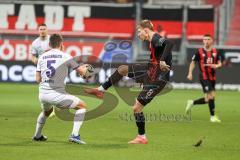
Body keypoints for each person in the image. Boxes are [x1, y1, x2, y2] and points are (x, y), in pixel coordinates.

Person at [85, 19, 174, 144]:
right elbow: (157, 56)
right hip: (150, 71)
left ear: (146, 30)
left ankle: (142, 137)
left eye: (139, 31)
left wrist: (163, 61)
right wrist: (145, 76)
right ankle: (101, 90)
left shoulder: (155, 38)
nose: (138, 34)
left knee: (137, 107)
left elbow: (169, 44)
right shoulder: (151, 41)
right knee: (122, 69)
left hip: (158, 78)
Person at [33, 34, 88, 144]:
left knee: (47, 111)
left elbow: (37, 79)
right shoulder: (65, 56)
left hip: (43, 94)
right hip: (57, 94)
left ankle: (37, 135)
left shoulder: (42, 57)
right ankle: (75, 135)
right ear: (61, 44)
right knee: (82, 106)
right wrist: (85, 70)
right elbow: (82, 72)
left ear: (49, 44)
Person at [186, 34, 222, 123]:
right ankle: (212, 117)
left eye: (208, 39)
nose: (206, 41)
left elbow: (220, 63)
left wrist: (216, 66)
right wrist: (190, 73)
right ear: (203, 41)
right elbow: (193, 63)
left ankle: (192, 102)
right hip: (204, 77)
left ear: (211, 41)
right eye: (204, 39)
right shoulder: (199, 52)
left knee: (207, 99)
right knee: (211, 96)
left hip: (212, 78)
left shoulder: (216, 52)